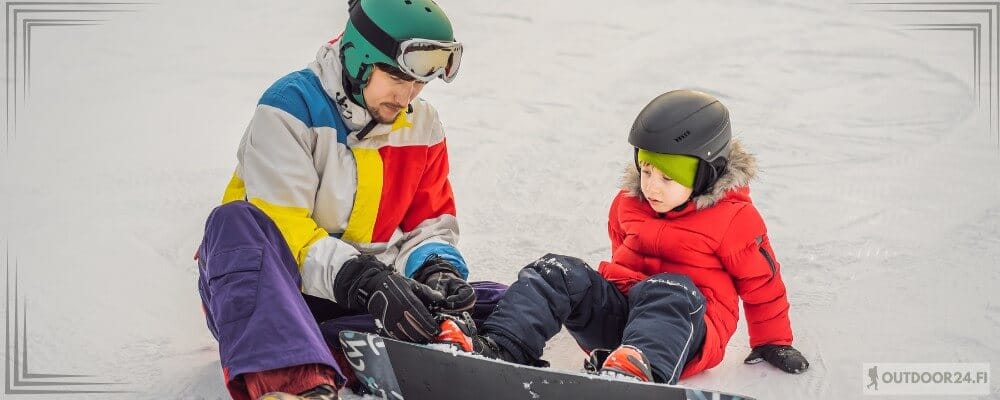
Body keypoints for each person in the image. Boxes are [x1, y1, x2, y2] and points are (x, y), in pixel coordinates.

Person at [194, 1, 501, 399]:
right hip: (273, 297)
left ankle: (450, 350)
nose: (408, 96)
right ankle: (295, 384)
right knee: (234, 221)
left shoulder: (421, 124)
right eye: (397, 77)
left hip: (362, 296)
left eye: (419, 84)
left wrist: (436, 271)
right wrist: (364, 280)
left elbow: (428, 224)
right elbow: (286, 227)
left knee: (496, 299)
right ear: (358, 61)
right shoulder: (289, 109)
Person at [453, 90, 809, 384]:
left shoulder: (734, 220)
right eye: (646, 170)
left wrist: (772, 341)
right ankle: (501, 347)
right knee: (557, 270)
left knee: (668, 287)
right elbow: (621, 250)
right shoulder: (628, 204)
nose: (651, 186)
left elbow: (763, 283)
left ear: (707, 173)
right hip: (622, 320)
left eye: (668, 178)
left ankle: (638, 374)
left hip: (684, 330)